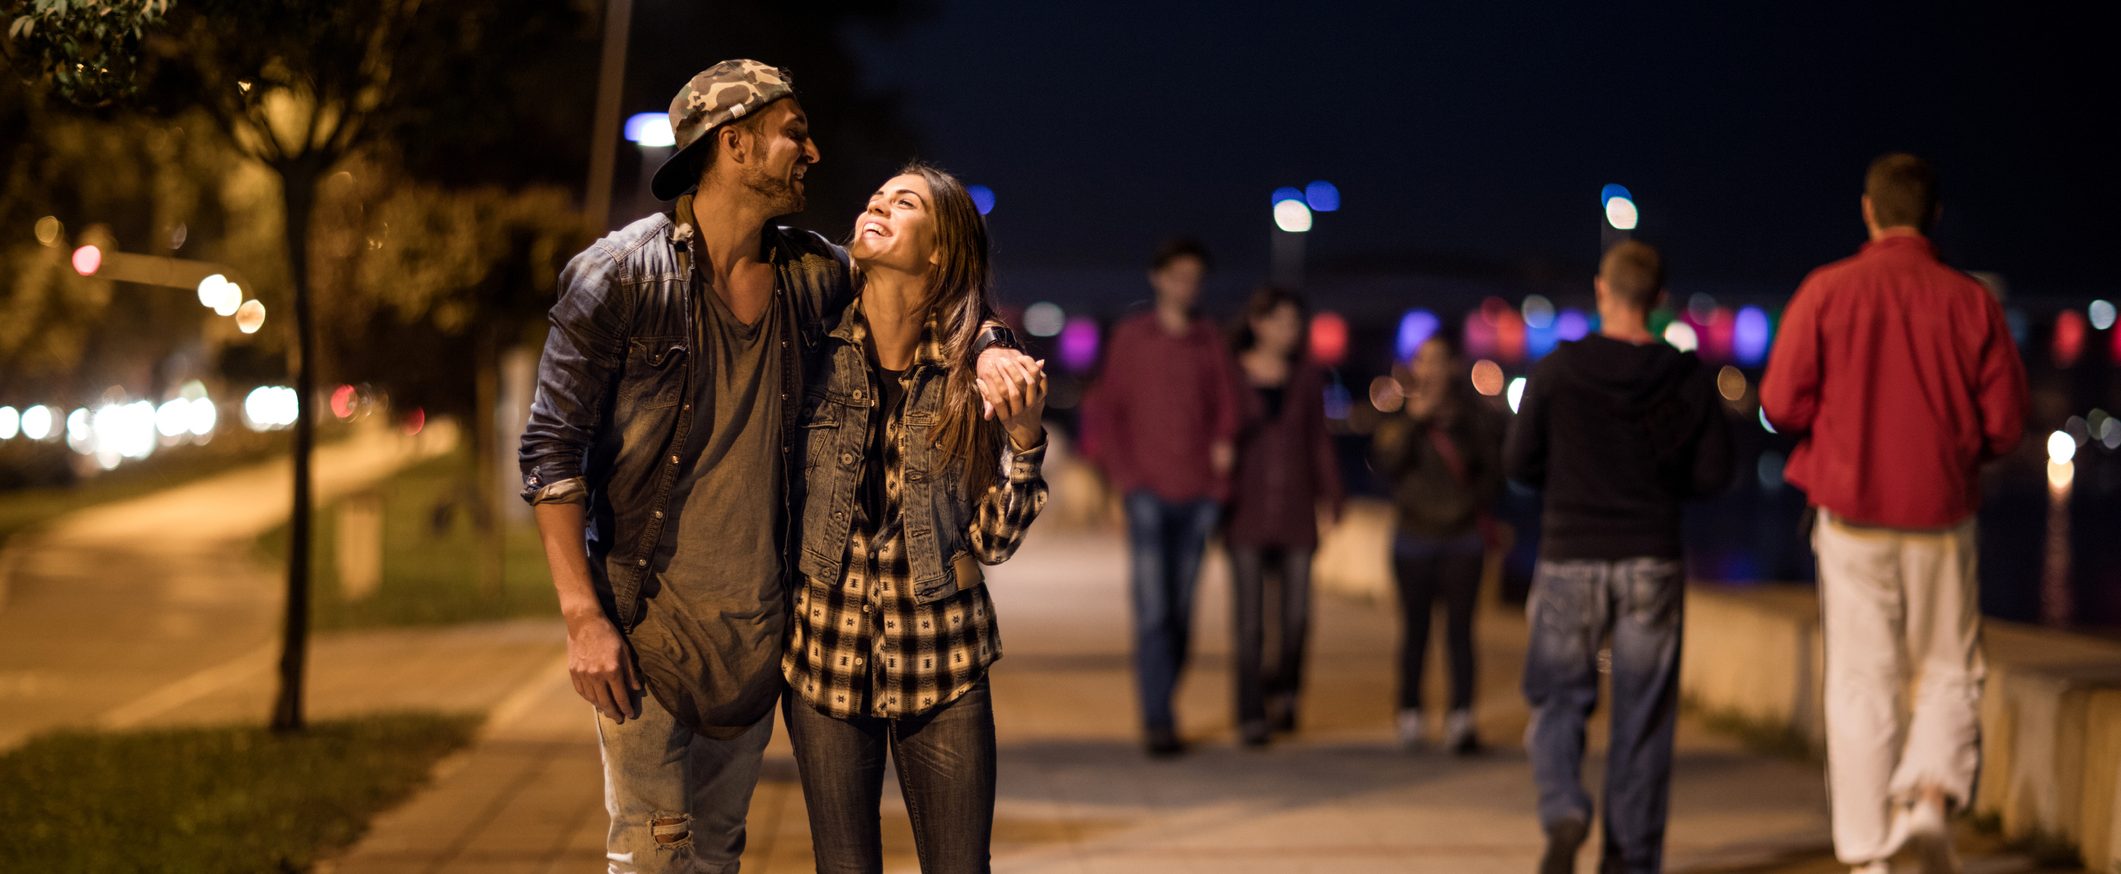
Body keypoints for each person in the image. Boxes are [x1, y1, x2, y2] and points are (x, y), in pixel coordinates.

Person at [518, 61, 1033, 873]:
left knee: (717, 853)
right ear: (735, 145)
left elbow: (932, 294)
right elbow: (550, 453)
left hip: (761, 638)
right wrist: (583, 619)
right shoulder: (619, 276)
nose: (813, 151)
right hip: (644, 628)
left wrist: (994, 347)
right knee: (651, 857)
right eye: (793, 132)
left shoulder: (810, 275)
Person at [1760, 154, 2027, 874]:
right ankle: (1931, 799)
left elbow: (1780, 403)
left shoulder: (1824, 292)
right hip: (1940, 511)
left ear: (1868, 212)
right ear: (1933, 215)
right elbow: (2005, 423)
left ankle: (1870, 851)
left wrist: (1839, 423)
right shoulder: (1971, 302)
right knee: (1947, 666)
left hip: (1849, 514)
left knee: (1859, 680)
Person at [780, 163, 1048, 874]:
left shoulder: (973, 373)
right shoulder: (808, 346)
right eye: (875, 196)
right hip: (823, 656)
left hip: (945, 657)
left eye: (903, 202)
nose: (876, 204)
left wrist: (1024, 446)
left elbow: (991, 542)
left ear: (938, 250)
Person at [1506, 240, 1734, 874]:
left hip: (1569, 555)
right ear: (1659, 301)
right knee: (1643, 717)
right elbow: (1716, 472)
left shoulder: (1556, 371)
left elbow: (1517, 464)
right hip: (1651, 558)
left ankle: (1563, 810)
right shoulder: (1686, 377)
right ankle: (1629, 860)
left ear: (1602, 290)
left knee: (1557, 699)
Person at [1082, 238, 1241, 757]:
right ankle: (1158, 719)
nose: (1186, 286)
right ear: (1159, 278)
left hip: (1198, 495)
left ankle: (1163, 701)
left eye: (1195, 278)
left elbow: (1231, 407)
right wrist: (1123, 481)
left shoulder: (1210, 340)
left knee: (1181, 613)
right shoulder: (1132, 338)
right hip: (1146, 491)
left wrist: (1222, 458)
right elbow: (1105, 412)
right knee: (1152, 611)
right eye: (1178, 276)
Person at [1222, 286, 1344, 746]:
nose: (1291, 332)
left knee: (1296, 619)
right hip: (1246, 510)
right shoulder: (1232, 373)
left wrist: (1334, 499)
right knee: (1249, 623)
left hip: (1295, 509)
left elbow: (1320, 441)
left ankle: (1287, 692)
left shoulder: (1308, 377)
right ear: (1259, 322)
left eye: (1297, 324)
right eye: (1283, 322)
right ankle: (1251, 712)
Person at [1370, 329, 1502, 755]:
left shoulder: (1474, 417)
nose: (1432, 368)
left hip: (1462, 538)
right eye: (1424, 359)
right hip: (1413, 538)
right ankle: (1410, 714)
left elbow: (1495, 474)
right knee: (1415, 630)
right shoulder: (1399, 414)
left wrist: (1466, 500)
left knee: (1461, 633)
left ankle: (1461, 718)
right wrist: (1415, 420)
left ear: (1454, 366)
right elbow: (1387, 464)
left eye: (1440, 359)